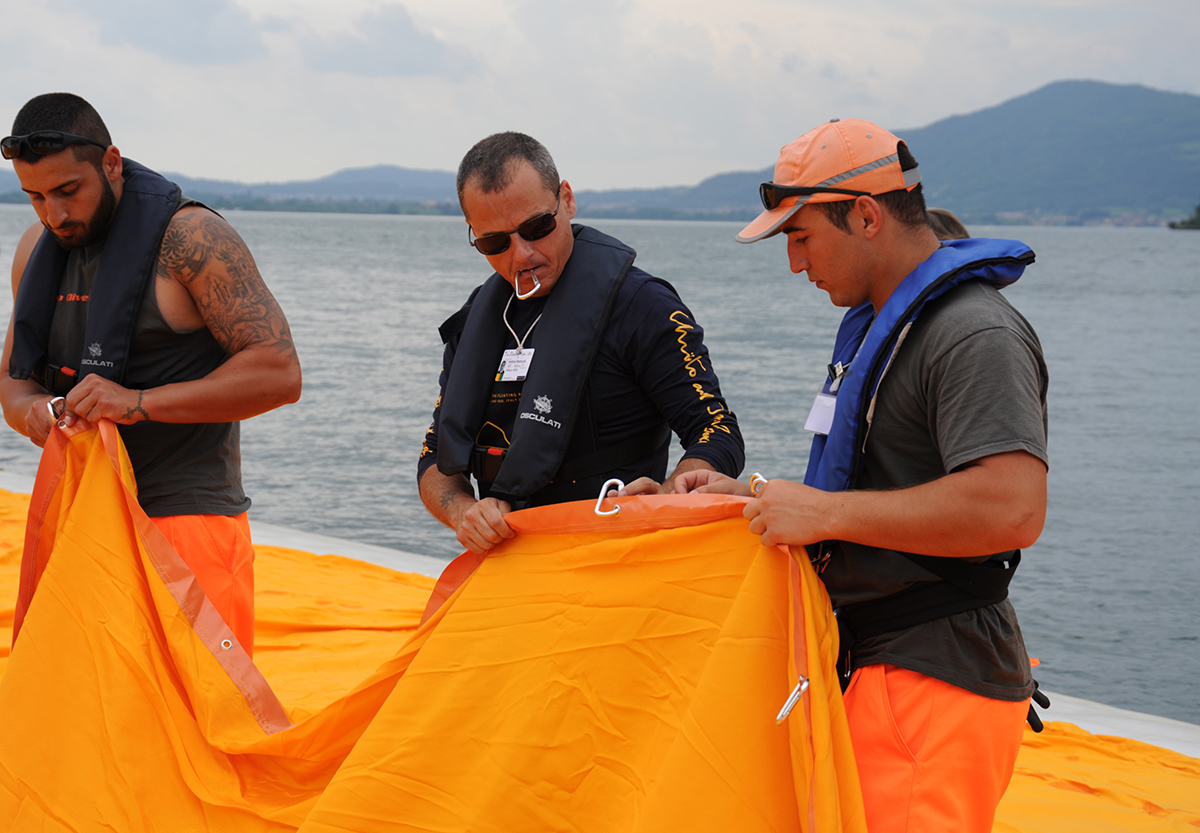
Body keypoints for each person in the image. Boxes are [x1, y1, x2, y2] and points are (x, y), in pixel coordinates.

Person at [678, 119, 1048, 833]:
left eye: (801, 236)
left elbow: (1012, 507)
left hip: (934, 677)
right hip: (878, 663)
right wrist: (749, 495)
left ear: (867, 216)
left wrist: (823, 514)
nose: (795, 263)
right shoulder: (891, 326)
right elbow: (877, 486)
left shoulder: (973, 334)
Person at [2, 93, 302, 654]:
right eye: (36, 197)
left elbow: (279, 373)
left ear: (112, 163)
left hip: (185, 518)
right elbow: (14, 383)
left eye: (68, 190)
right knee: (75, 701)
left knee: (201, 707)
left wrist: (137, 403)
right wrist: (39, 413)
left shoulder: (191, 238)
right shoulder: (32, 250)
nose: (54, 215)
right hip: (81, 518)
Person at [419, 132, 744, 554]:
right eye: (495, 243)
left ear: (567, 201)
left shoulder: (644, 307)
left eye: (536, 227)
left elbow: (717, 431)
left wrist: (667, 495)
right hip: (513, 565)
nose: (521, 255)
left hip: (618, 556)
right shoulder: (474, 322)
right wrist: (463, 512)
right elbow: (434, 458)